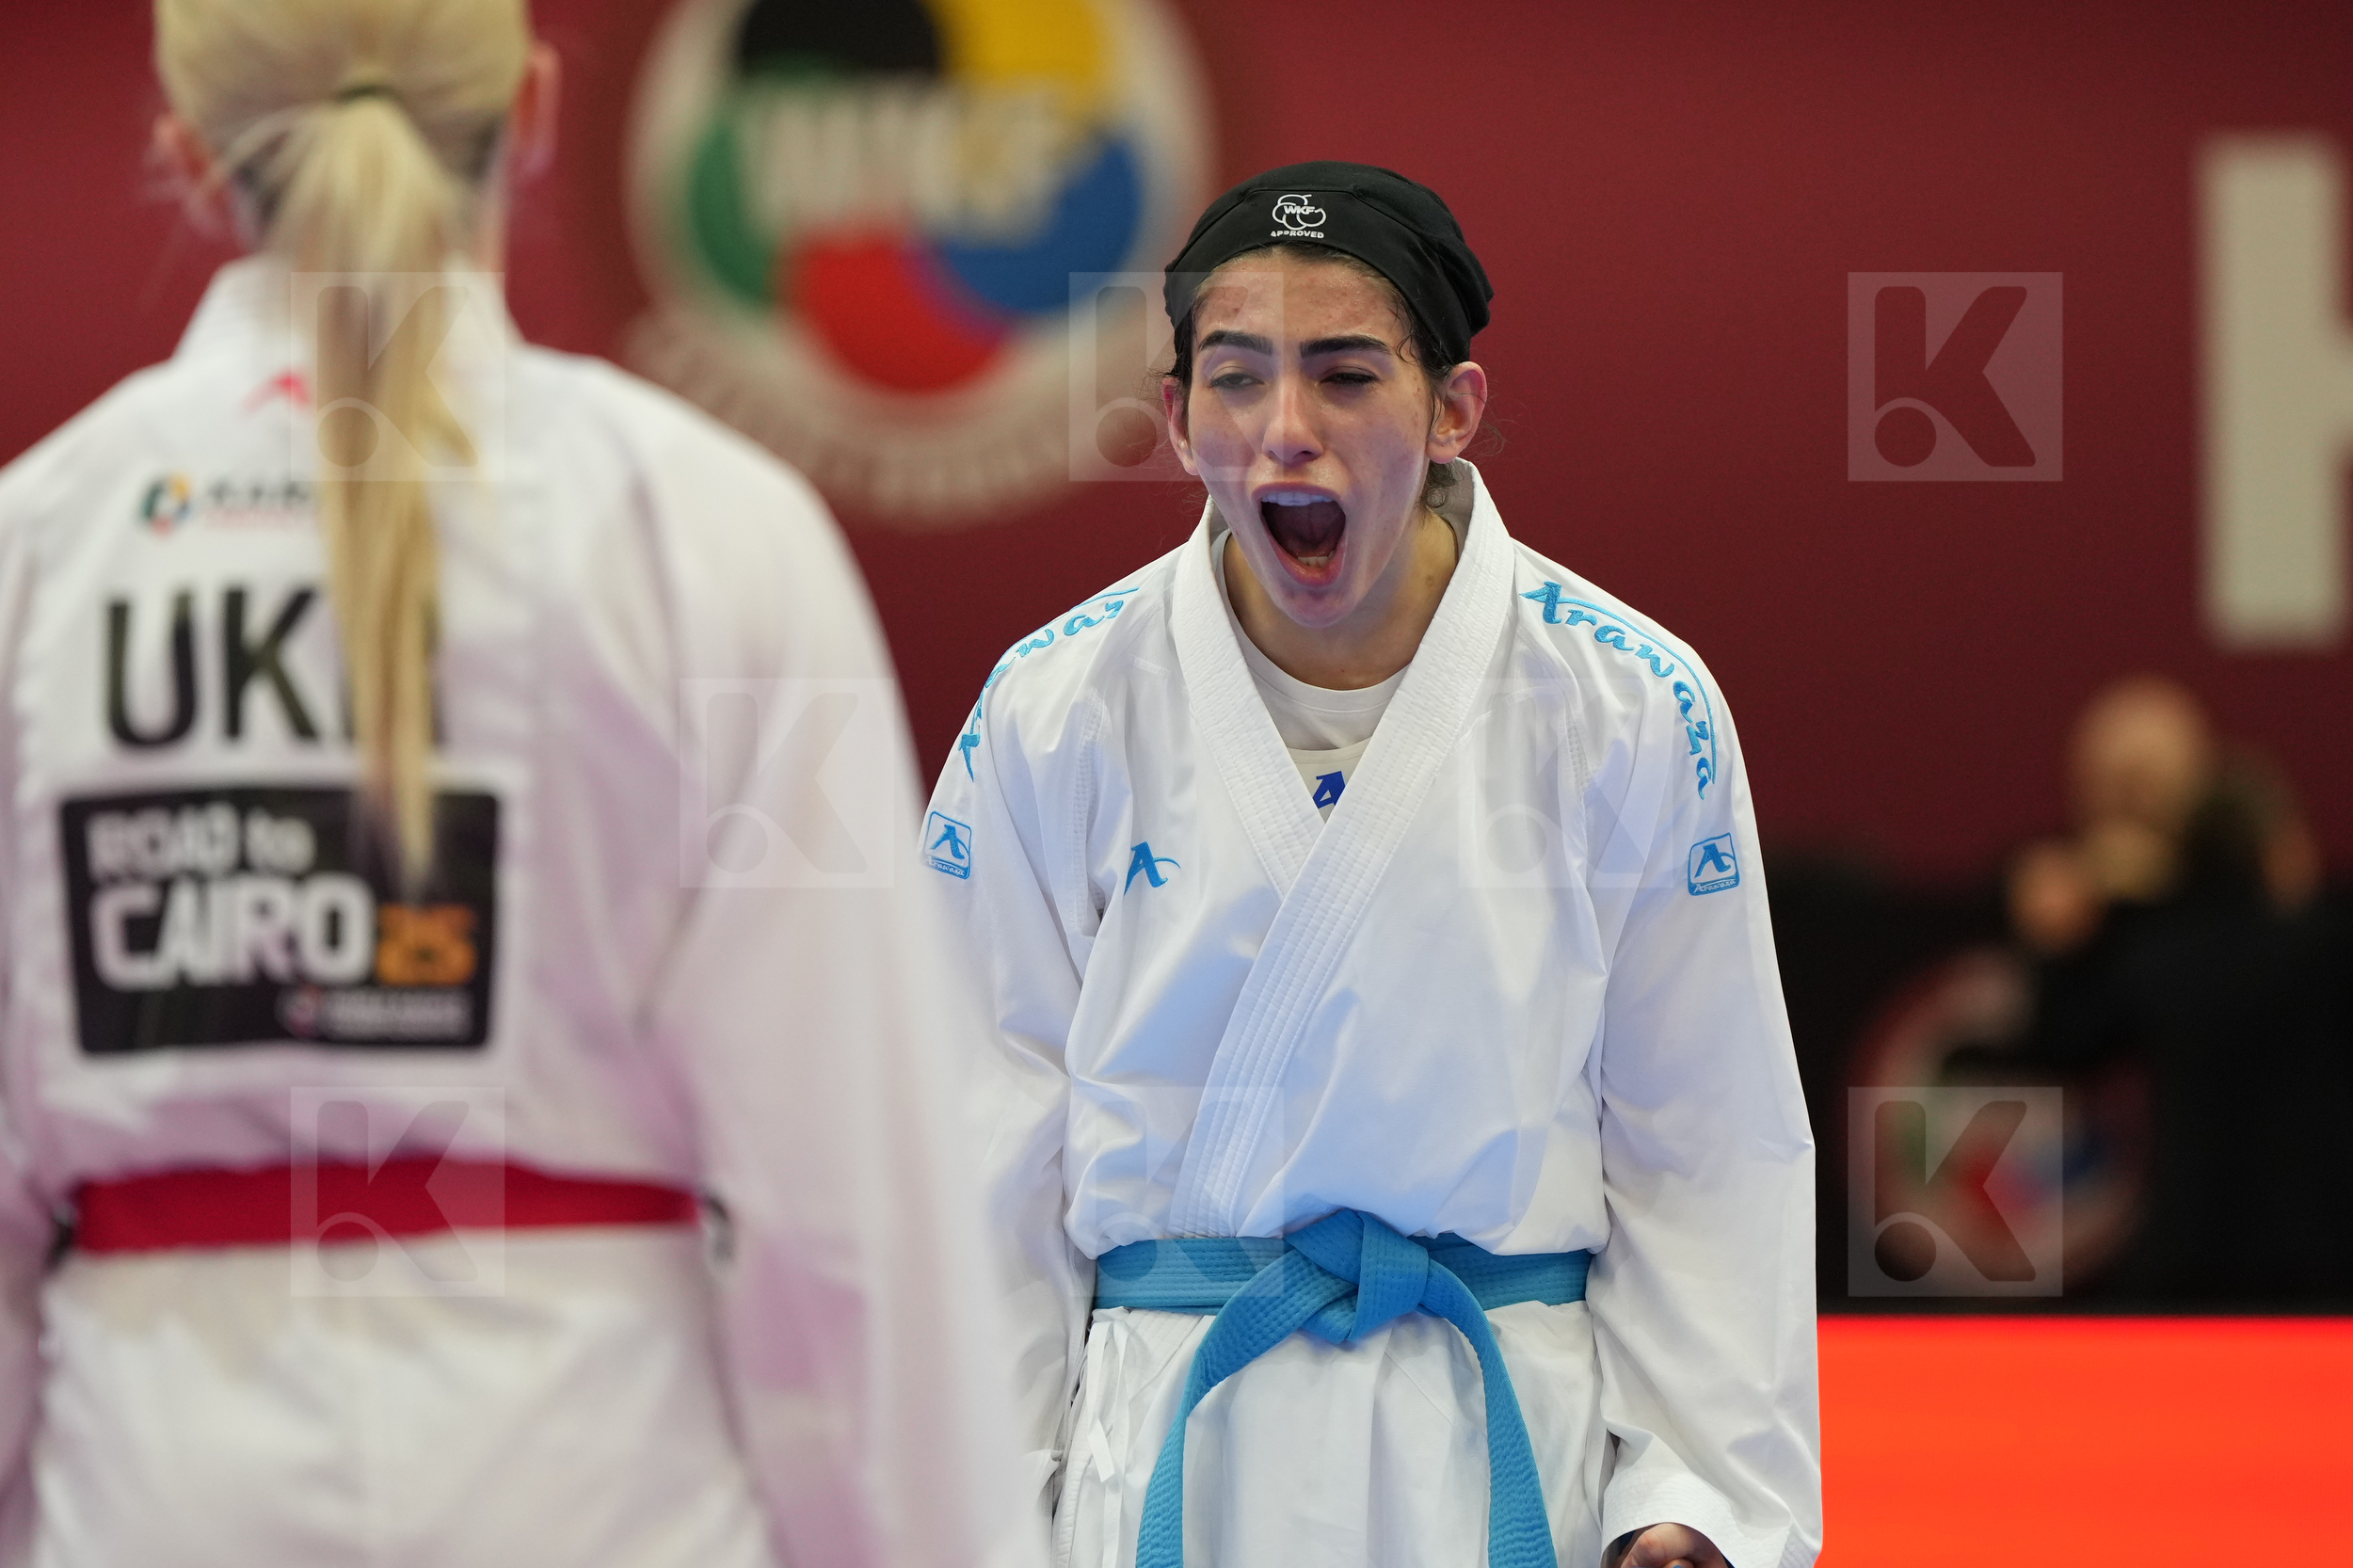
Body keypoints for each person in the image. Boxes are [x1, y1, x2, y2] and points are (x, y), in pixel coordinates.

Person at [0, 3, 1029, 1564]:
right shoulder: (719, 535)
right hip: (603, 1486)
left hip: (152, 1488)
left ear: (191, 156)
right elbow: (851, 1224)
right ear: (534, 111)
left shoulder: (35, 556)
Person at [926, 162, 1819, 1568]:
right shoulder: (1056, 704)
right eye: (1236, 379)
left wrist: (1700, 1492)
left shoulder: (1629, 699)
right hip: (1174, 1434)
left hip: (1495, 1438)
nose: (1287, 431)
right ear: (1175, 418)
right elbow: (981, 1149)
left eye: (1347, 375)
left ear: (1453, 409)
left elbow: (1708, 1136)